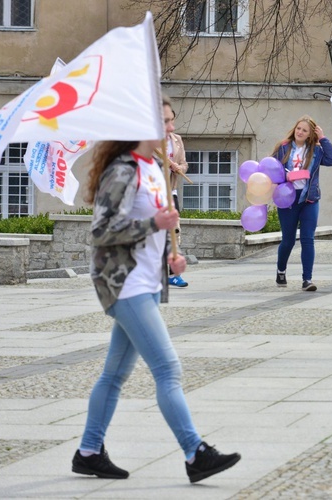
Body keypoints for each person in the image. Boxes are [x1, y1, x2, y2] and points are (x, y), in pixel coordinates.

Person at [72, 139, 240, 483]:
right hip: (124, 283)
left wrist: (169, 260)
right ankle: (195, 453)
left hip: (147, 281)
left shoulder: (153, 168)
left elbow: (152, 228)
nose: (169, 130)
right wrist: (156, 224)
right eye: (161, 122)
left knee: (114, 374)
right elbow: (102, 230)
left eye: (169, 123)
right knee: (167, 368)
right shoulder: (122, 169)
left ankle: (88, 451)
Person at [272, 115, 332, 292]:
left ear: (310, 135)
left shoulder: (315, 150)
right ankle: (281, 271)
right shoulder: (283, 147)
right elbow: (270, 169)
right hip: (288, 198)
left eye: (304, 130)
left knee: (308, 239)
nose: (300, 132)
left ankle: (307, 279)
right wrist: (284, 176)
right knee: (288, 240)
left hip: (309, 198)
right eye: (298, 128)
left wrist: (323, 138)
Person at [161, 96, 189, 287]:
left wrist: (179, 167)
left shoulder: (177, 140)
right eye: (166, 121)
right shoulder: (149, 143)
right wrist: (165, 164)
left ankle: (173, 274)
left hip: (172, 190)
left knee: (174, 230)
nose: (171, 126)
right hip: (156, 192)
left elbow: (185, 163)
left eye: (172, 120)